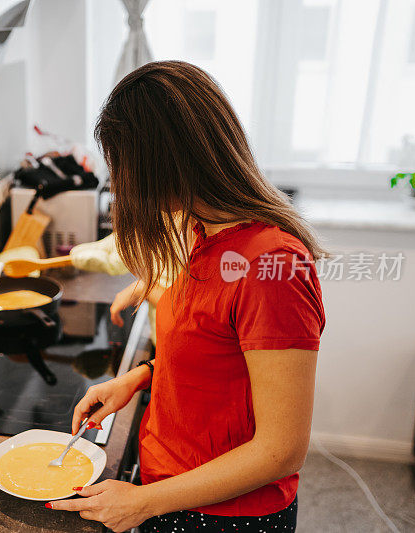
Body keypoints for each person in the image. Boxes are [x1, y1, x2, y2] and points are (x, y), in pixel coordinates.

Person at [47, 61, 325, 533]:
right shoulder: (200, 232)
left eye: (127, 169)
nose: (126, 187)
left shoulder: (271, 265)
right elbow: (216, 351)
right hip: (170, 481)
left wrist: (144, 502)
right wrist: (138, 378)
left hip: (222, 515)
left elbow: (281, 451)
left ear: (166, 163)